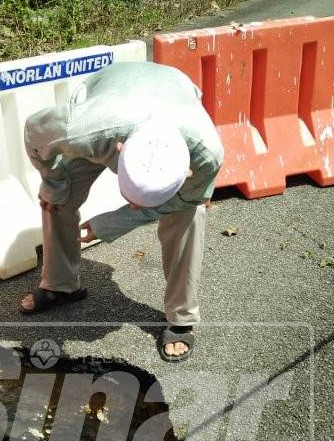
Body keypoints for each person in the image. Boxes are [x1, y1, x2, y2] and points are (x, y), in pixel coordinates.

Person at [19, 61, 223, 363]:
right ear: (118, 151)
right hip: (108, 96)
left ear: (187, 172)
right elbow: (34, 134)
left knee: (190, 215)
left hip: (174, 89)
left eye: (143, 205)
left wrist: (109, 223)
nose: (138, 209)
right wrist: (53, 184)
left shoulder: (205, 155)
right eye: (132, 199)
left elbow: (182, 201)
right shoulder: (82, 131)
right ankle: (60, 286)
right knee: (55, 200)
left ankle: (182, 316)